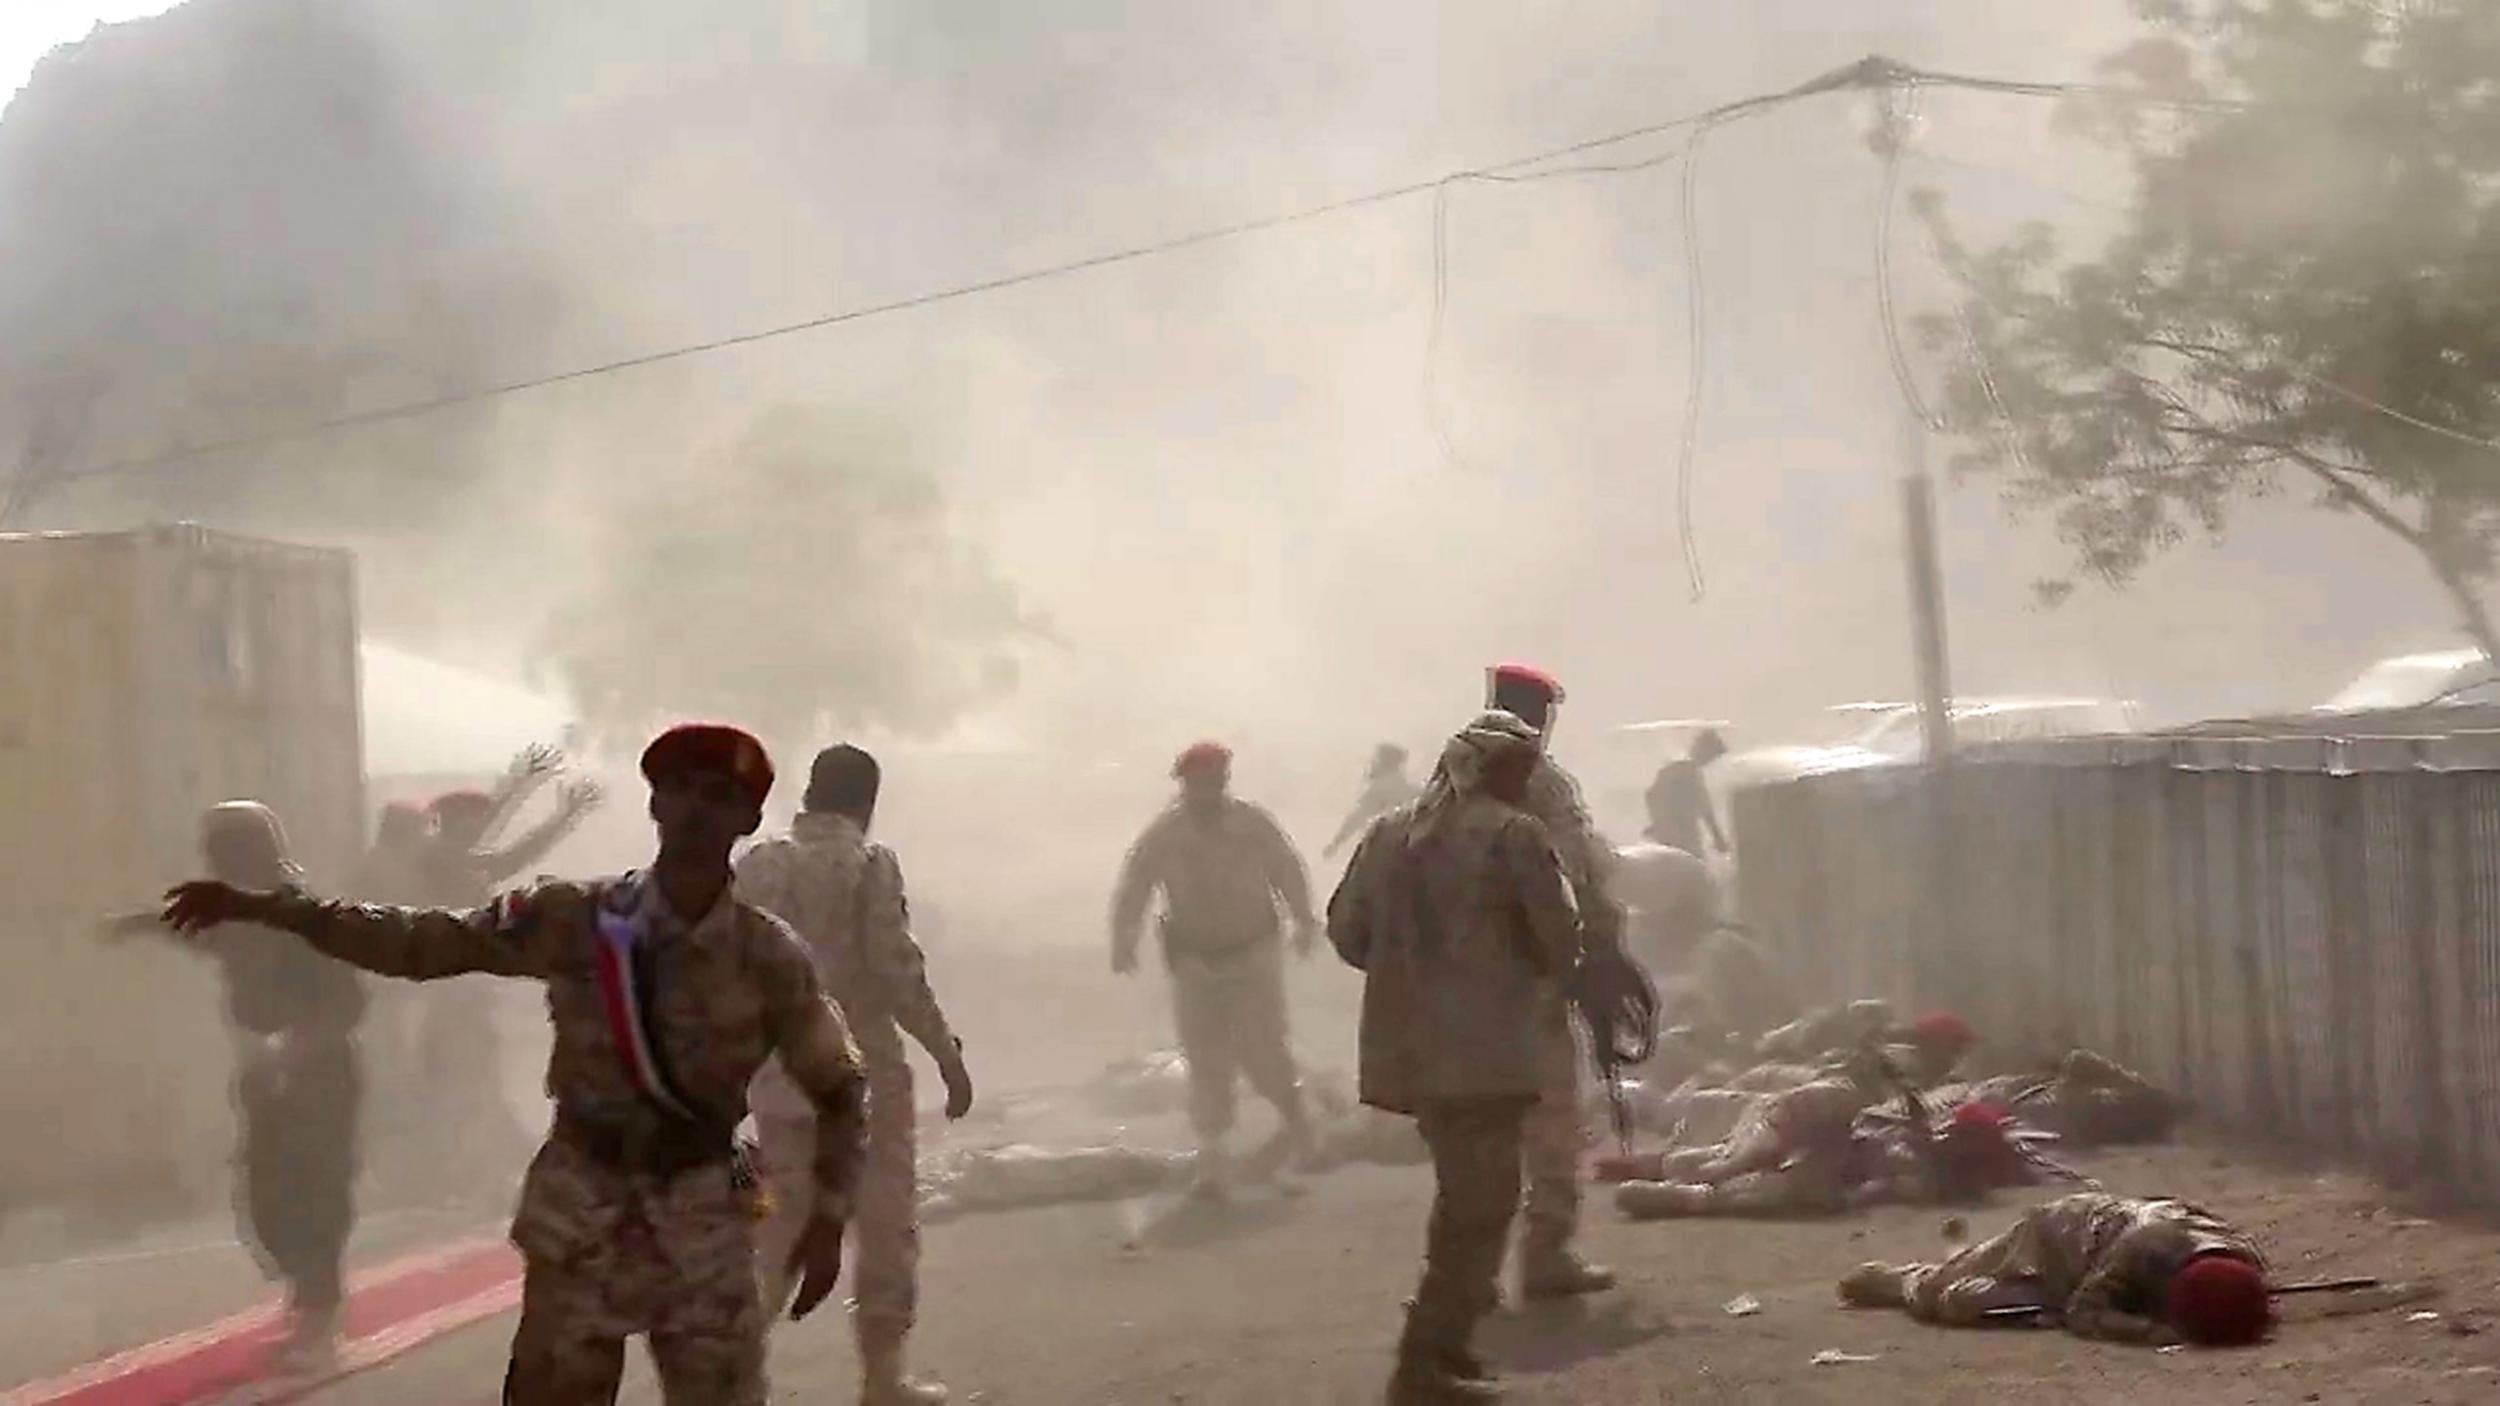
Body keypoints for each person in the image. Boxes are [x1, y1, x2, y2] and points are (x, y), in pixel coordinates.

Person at [159, 724, 868, 1405]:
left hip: (705, 1219)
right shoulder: (578, 918)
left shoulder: (769, 955)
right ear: (655, 803)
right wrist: (277, 910)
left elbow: (838, 1084)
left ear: (748, 817)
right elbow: (424, 942)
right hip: (583, 1213)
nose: (695, 810)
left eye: (719, 796)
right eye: (680, 789)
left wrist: (829, 1222)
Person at [1327, 711, 1582, 1402]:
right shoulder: (1515, 836)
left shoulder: (1385, 833)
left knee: (1462, 1197)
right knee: (1484, 1205)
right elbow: (1559, 938)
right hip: (1490, 1052)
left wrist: (1407, 977)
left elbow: (1346, 930)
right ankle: (1424, 1365)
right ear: (1488, 771)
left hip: (1413, 1054)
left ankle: (1447, 1349)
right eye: (1514, 772)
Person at [739, 743, 975, 1406]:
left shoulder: (757, 863)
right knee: (884, 1226)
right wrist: (946, 1053)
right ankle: (882, 1379)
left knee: (780, 1225)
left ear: (809, 793)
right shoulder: (868, 865)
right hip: (863, 1073)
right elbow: (896, 969)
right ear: (866, 801)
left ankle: (725, 1377)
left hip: (781, 1073)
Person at [110, 802, 367, 1371]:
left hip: (318, 1075)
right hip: (264, 1077)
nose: (215, 863)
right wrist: (135, 925)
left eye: (225, 851)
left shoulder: (305, 913)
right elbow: (197, 935)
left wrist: (294, 1047)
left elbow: (347, 1002)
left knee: (314, 1196)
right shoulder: (232, 912)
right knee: (266, 1199)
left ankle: (319, 1320)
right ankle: (307, 1295)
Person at [1109, 740, 1320, 1197]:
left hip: (1252, 954)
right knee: (1206, 1060)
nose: (1202, 790)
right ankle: (1213, 1158)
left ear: (1223, 780)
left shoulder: (1251, 823)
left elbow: (1286, 869)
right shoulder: (1165, 833)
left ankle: (1300, 1127)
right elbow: (1136, 884)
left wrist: (1304, 920)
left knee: (1264, 1052)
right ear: (1184, 785)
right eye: (1194, 783)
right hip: (1195, 963)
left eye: (1211, 781)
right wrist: (1123, 938)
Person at [1483, 663, 1625, 1299]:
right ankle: (1545, 1254)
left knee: (1478, 1122)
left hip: (1458, 984)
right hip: (1529, 975)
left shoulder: (1445, 781)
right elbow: (1580, 870)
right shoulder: (1537, 782)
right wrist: (1602, 942)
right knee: (1550, 1113)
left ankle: (1467, 1273)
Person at [415, 749, 605, 1200]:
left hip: (463, 990)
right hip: (449, 990)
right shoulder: (439, 861)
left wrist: (556, 812)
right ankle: (462, 1176)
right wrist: (522, 790)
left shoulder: (460, 860)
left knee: (476, 1081)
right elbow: (501, 844)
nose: (475, 830)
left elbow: (513, 850)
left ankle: (477, 1172)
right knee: (465, 1085)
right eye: (466, 823)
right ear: (448, 824)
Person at [1838, 1192, 2273, 1347]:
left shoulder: (2242, 1259)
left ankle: (1952, 1256)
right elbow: (2085, 1309)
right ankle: (1902, 1280)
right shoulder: (2139, 1251)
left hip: (2093, 1251)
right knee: (1952, 1298)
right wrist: (2149, 1333)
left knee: (1973, 1298)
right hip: (2054, 1240)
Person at [1322, 743, 1421, 860]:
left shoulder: (1377, 789)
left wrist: (1336, 843)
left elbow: (1356, 818)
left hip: (1382, 853)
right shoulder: (1414, 790)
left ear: (1382, 762)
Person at [1642, 729, 1730, 857]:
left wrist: (1658, 823)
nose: (1712, 761)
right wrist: (1718, 837)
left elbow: (1650, 796)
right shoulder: (1689, 772)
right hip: (1682, 837)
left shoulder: (1673, 769)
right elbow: (1705, 809)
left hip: (1669, 836)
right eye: (1712, 755)